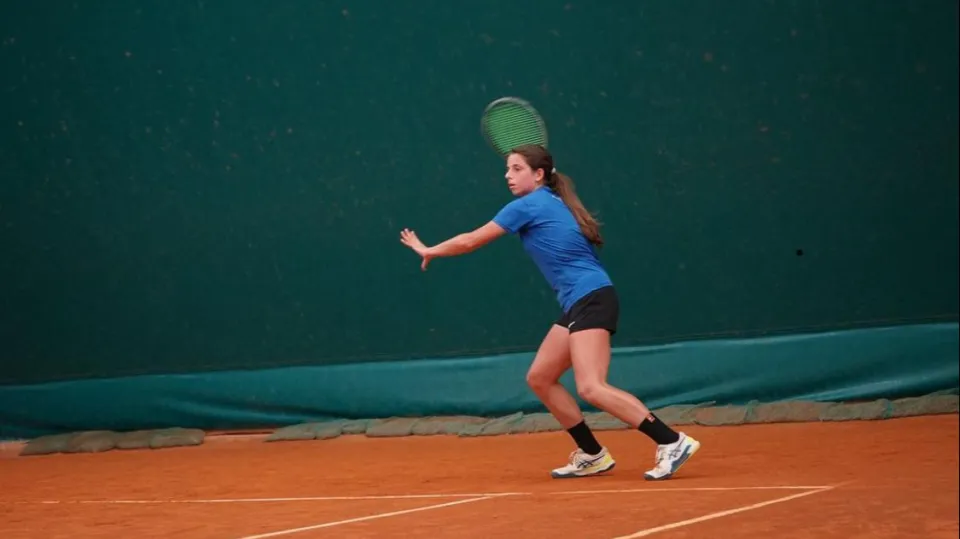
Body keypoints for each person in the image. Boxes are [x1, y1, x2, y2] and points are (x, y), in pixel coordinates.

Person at [399, 143, 700, 481]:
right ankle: (592, 454)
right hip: (579, 301)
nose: (507, 175)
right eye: (507, 169)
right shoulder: (552, 202)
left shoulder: (527, 205)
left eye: (516, 169)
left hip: (591, 298)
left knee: (591, 387)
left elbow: (471, 240)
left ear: (538, 174)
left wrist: (430, 250)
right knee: (540, 378)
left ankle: (671, 441)